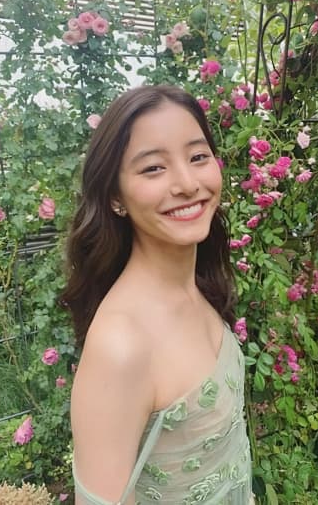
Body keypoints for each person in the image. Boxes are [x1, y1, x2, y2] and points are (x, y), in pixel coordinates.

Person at [62, 85, 253, 504]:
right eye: (153, 168)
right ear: (115, 197)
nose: (187, 183)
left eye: (198, 157)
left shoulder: (199, 287)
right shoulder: (121, 344)